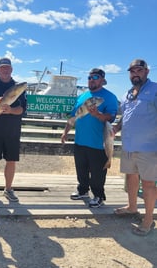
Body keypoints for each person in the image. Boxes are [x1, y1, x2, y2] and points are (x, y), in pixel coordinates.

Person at [61, 68, 118, 208]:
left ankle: (98, 195)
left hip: (98, 143)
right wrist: (65, 131)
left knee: (98, 173)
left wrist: (97, 114)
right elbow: (74, 116)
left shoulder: (109, 97)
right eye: (89, 77)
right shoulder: (83, 95)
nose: (91, 79)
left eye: (95, 77)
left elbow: (111, 117)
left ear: (102, 80)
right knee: (81, 169)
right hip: (80, 140)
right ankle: (83, 190)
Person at [113, 59, 157, 236]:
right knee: (131, 177)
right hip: (129, 146)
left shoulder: (155, 90)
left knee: (148, 184)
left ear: (147, 71)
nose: (135, 73)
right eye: (132, 71)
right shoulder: (127, 94)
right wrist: (116, 128)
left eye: (139, 70)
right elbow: (126, 116)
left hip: (150, 147)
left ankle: (148, 218)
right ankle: (132, 207)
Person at [0, 58, 27, 202]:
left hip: (12, 131)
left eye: (7, 68)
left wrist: (10, 110)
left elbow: (22, 109)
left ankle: (8, 189)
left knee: (11, 161)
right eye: (2, 68)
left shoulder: (17, 87)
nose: (5, 70)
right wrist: (0, 102)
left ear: (12, 69)